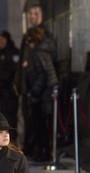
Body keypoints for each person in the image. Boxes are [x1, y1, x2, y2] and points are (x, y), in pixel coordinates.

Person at [14, 4, 56, 157]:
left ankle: (41, 150)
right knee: (29, 119)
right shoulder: (28, 36)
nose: (33, 16)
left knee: (40, 121)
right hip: (29, 86)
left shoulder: (44, 38)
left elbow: (45, 71)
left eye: (36, 13)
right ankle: (31, 147)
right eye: (31, 13)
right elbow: (22, 62)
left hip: (40, 88)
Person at [25, 26, 58, 162]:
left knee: (40, 124)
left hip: (44, 94)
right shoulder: (44, 51)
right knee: (43, 125)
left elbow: (42, 75)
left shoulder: (38, 53)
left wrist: (34, 92)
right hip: (47, 92)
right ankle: (44, 151)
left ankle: (44, 152)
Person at [0, 30, 19, 141]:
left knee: (11, 117)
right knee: (4, 117)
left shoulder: (13, 53)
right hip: (3, 91)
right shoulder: (1, 53)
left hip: (11, 91)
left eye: (2, 39)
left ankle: (12, 139)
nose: (0, 42)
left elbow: (14, 72)